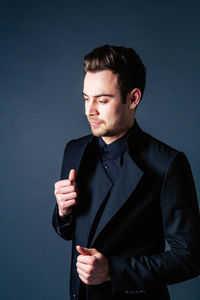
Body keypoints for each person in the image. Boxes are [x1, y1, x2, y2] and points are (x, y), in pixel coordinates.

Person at [52, 45, 200, 300]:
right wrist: (63, 212)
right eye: (86, 98)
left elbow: (190, 258)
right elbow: (68, 230)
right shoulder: (74, 151)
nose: (90, 111)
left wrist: (114, 271)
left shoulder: (168, 163)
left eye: (102, 99)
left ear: (133, 99)